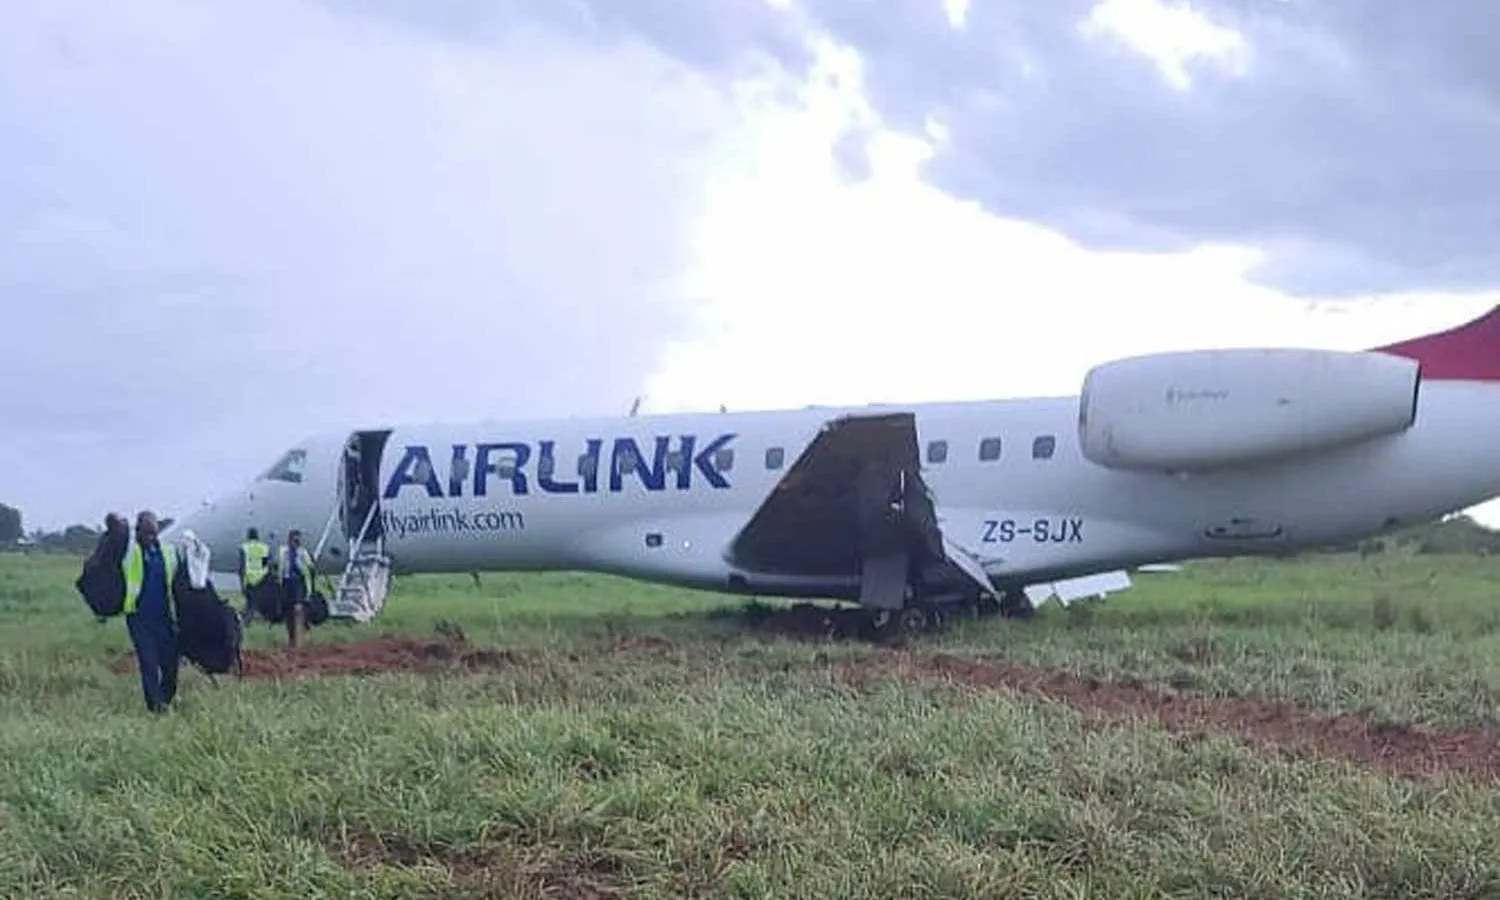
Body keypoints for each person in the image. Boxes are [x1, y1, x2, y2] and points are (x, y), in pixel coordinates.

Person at [120, 510, 180, 714]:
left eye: (153, 533)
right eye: (146, 533)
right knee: (149, 663)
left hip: (163, 616)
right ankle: (155, 707)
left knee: (171, 663)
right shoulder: (131, 552)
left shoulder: (167, 552)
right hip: (139, 617)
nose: (150, 538)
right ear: (137, 532)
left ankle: (165, 698)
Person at [276, 529, 314, 647]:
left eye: (298, 540)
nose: (296, 542)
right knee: (288, 611)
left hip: (299, 581)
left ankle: (301, 635)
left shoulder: (303, 552)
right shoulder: (283, 551)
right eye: (294, 539)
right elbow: (280, 566)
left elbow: (310, 567)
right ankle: (291, 638)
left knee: (298, 608)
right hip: (287, 582)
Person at [237, 528, 271, 624]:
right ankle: (245, 619)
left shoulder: (244, 547)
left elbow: (242, 566)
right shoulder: (264, 547)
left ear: (248, 536)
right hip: (262, 579)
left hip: (249, 579)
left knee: (251, 603)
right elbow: (266, 564)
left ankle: (245, 620)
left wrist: (241, 583)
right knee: (252, 603)